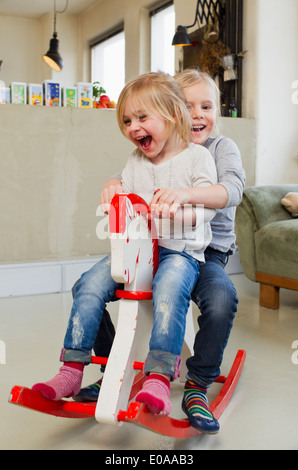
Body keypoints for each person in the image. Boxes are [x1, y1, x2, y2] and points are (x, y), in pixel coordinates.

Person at [32, 72, 218, 420]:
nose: (133, 128)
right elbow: (122, 192)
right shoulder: (136, 160)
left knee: (170, 288)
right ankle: (72, 369)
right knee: (87, 285)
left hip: (179, 252)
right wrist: (111, 189)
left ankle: (159, 376)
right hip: (137, 251)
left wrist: (179, 209)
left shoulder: (197, 158)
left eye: (142, 118)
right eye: (127, 121)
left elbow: (205, 212)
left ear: (173, 115)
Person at [77, 69, 246, 435]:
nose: (197, 114)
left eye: (207, 106)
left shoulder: (218, 150)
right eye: (189, 106)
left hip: (208, 251)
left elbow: (229, 190)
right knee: (93, 286)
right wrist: (111, 183)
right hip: (163, 247)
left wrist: (184, 196)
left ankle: (198, 384)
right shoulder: (154, 151)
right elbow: (131, 181)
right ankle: (112, 367)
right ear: (172, 112)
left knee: (221, 299)